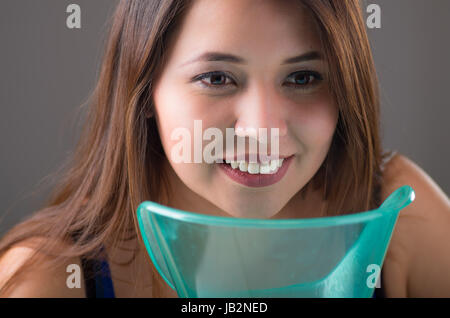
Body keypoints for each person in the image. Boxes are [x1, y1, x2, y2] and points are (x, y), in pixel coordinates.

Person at [0, 0, 449, 298]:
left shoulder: (402, 218)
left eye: (303, 78)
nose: (262, 130)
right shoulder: (49, 280)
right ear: (144, 92)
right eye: (216, 78)